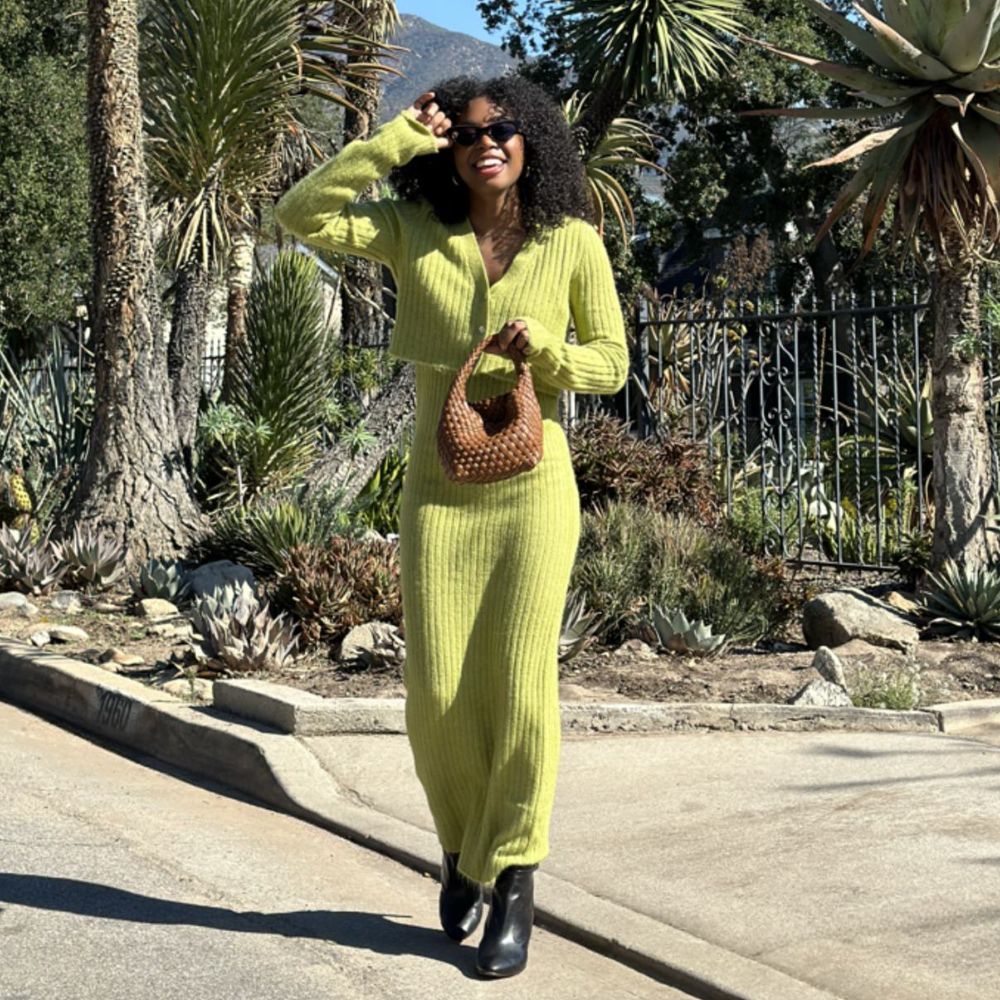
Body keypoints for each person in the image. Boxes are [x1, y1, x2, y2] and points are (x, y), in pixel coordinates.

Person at [274, 73, 627, 979]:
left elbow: (611, 365)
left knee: (518, 689)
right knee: (433, 698)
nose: (487, 144)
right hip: (437, 488)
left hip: (534, 489)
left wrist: (544, 350)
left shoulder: (574, 240)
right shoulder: (412, 230)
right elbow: (301, 215)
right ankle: (463, 849)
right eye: (468, 135)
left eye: (503, 130)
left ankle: (513, 877)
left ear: (531, 139)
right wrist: (396, 140)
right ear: (450, 151)